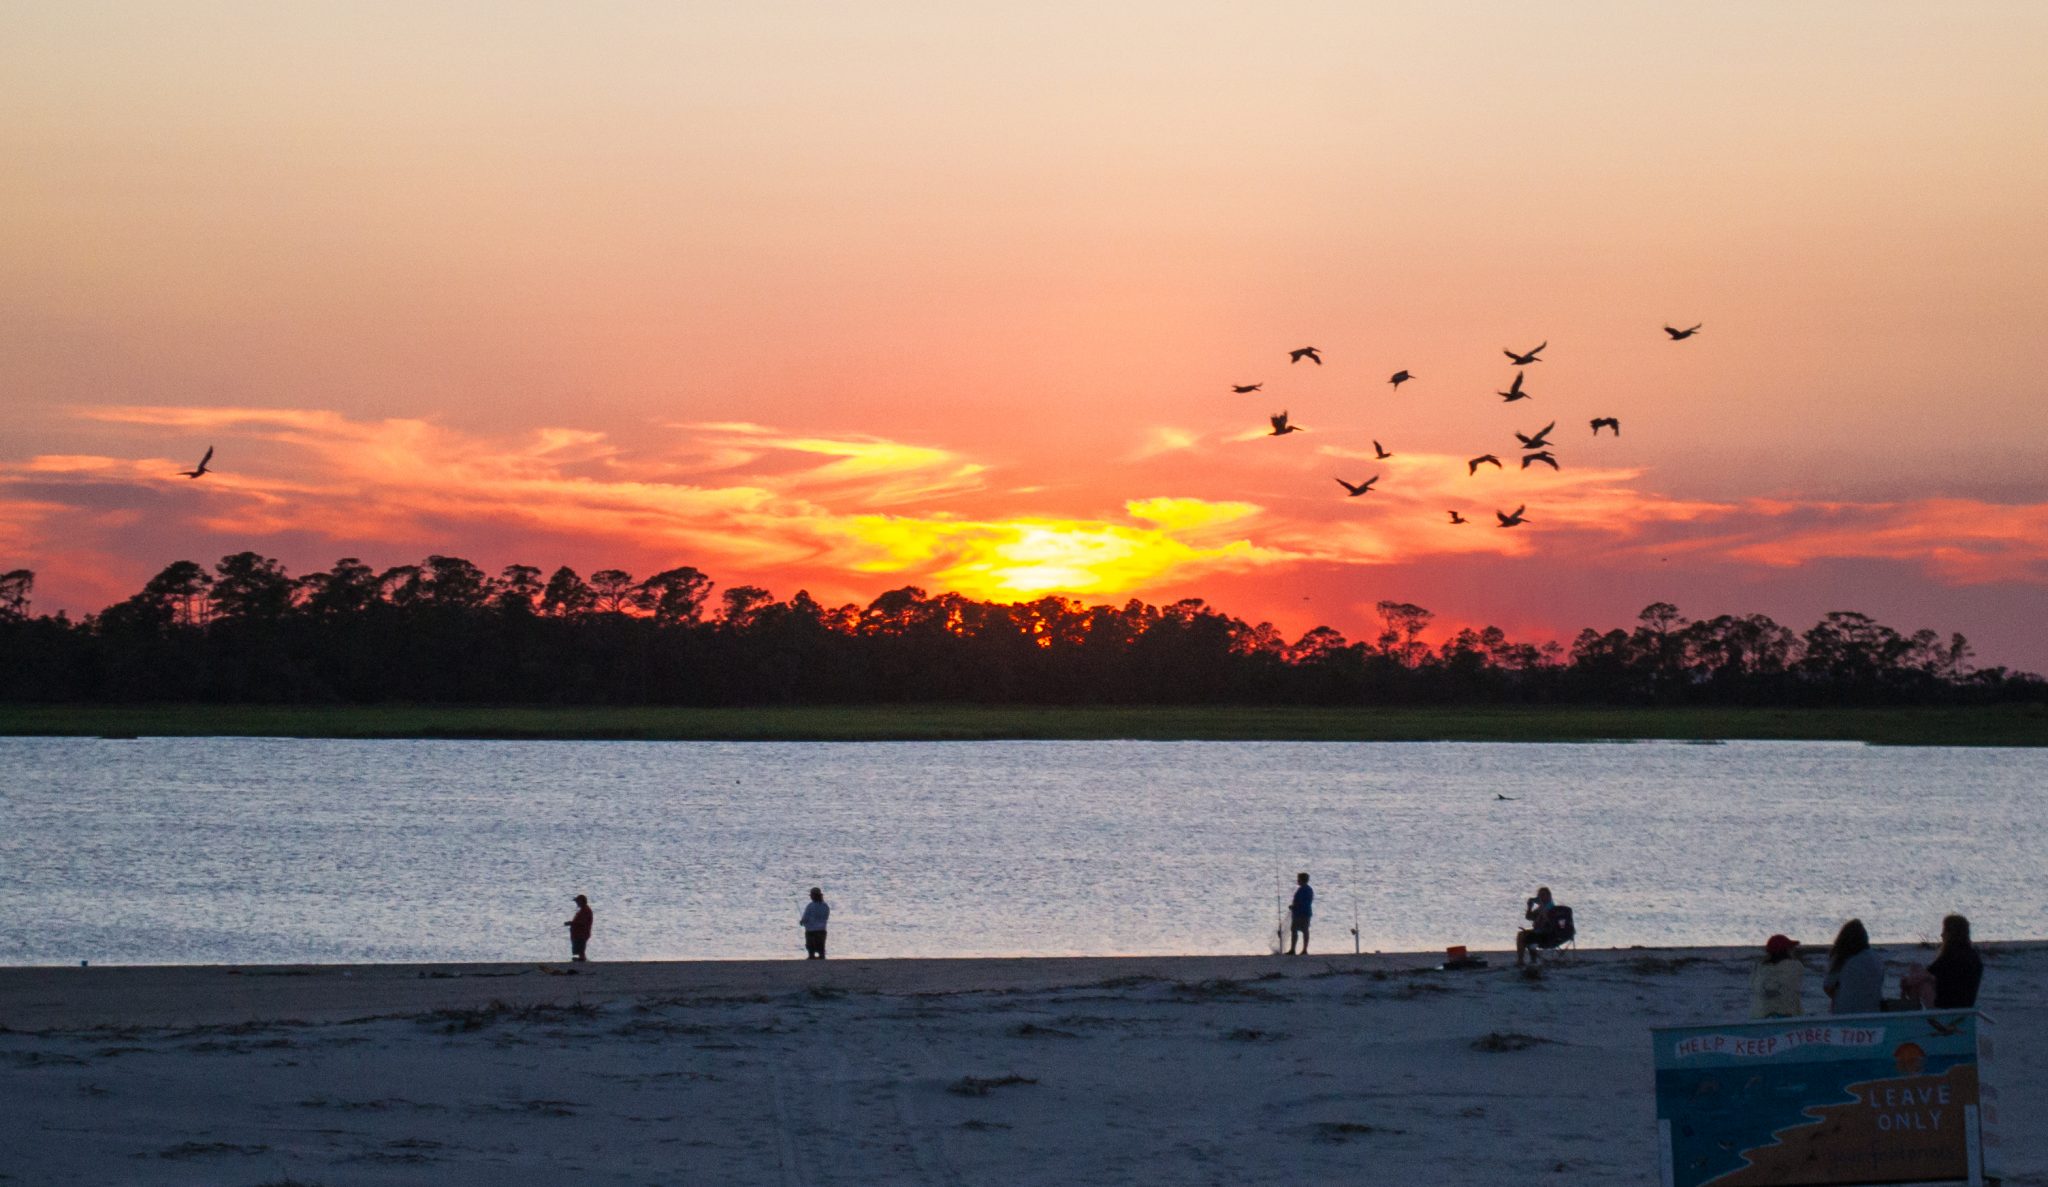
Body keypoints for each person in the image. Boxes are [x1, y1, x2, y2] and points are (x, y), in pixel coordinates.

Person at [1822, 918, 1883, 1014]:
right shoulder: (1876, 958)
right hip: (1872, 1011)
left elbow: (1827, 986)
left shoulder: (1842, 958)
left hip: (1844, 1012)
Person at [1927, 913, 1982, 1008]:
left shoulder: (1950, 956)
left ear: (1951, 934)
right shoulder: (1973, 955)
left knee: (1918, 976)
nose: (1941, 935)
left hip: (1945, 1008)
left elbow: (1930, 973)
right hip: (1965, 1007)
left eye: (1944, 931)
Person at [1749, 934, 1804, 1018]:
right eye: (1791, 948)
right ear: (1786, 950)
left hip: (1760, 1016)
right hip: (1788, 1015)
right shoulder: (1794, 966)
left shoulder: (1759, 969)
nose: (1793, 950)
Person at [1515, 887, 1566, 967]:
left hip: (1548, 934)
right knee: (1521, 934)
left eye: (1543, 895)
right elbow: (1529, 917)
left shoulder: (1552, 908)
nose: (1540, 897)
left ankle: (1533, 960)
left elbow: (1554, 923)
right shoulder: (1541, 908)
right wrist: (1529, 907)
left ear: (1549, 896)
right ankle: (1520, 960)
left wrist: (1543, 916)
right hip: (1539, 932)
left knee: (1530, 936)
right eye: (1539, 896)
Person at [1287, 873, 1313, 955]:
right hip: (1306, 913)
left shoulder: (1302, 890)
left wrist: (1293, 906)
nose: (1297, 880)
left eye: (1298, 879)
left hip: (1300, 913)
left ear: (1301, 880)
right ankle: (1304, 949)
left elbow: (1300, 902)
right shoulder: (1309, 889)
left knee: (1295, 930)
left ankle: (1293, 949)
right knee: (1305, 930)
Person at [801, 887, 830, 959]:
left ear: (813, 896)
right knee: (821, 946)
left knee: (810, 946)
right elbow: (826, 917)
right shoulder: (825, 906)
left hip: (811, 930)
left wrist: (802, 921)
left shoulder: (810, 906)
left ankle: (811, 956)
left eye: (811, 895)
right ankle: (821, 956)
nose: (810, 896)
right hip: (822, 929)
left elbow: (805, 917)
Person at [564, 894, 593, 963]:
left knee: (580, 948)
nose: (576, 903)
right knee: (579, 948)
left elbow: (582, 922)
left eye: (577, 901)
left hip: (582, 933)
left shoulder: (585, 910)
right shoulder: (583, 910)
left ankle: (582, 959)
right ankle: (581, 958)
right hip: (578, 933)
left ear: (582, 901)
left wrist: (571, 923)